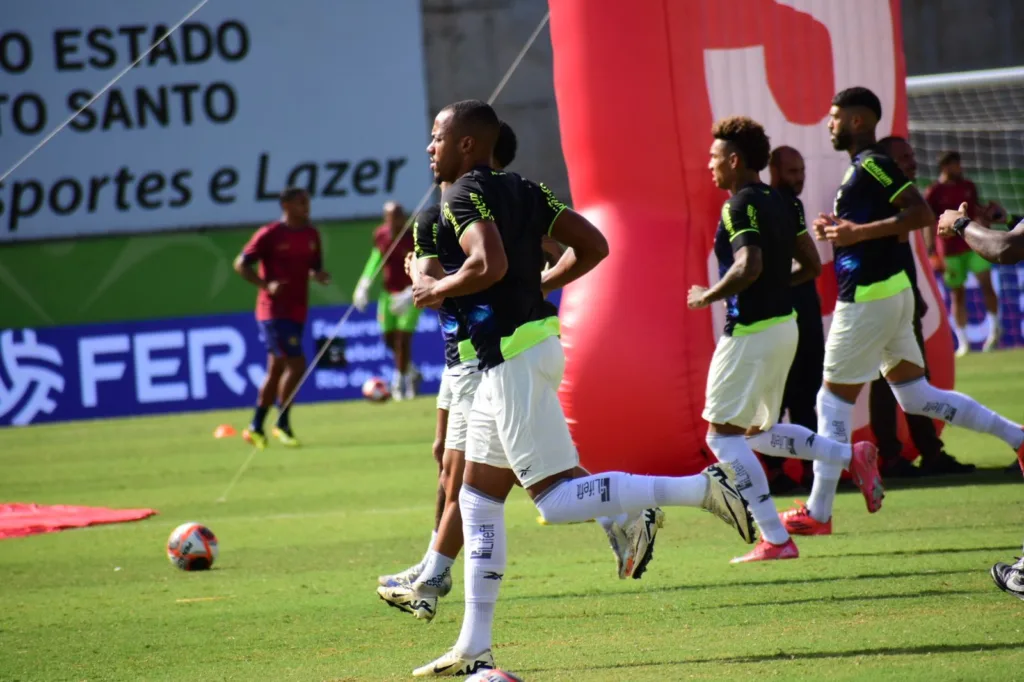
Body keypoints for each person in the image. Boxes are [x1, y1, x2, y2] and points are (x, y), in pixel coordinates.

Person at [405, 100, 756, 676]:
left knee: (556, 500)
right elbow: (593, 245)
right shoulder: (524, 187)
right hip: (527, 348)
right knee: (476, 500)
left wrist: (435, 290)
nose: (430, 147)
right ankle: (474, 644)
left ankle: (703, 488)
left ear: (467, 144)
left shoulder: (460, 193)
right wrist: (542, 280)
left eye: (438, 138)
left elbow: (487, 264)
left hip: (513, 357)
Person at [782, 87, 1024, 536]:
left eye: (835, 117)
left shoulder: (872, 163)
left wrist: (855, 233)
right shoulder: (862, 169)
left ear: (857, 121)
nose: (829, 124)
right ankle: (1019, 438)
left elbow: (919, 214)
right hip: (890, 293)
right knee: (915, 397)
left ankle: (818, 512)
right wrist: (841, 231)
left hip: (869, 296)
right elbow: (879, 228)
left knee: (830, 400)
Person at [688, 117, 881, 564]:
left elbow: (749, 264)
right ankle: (850, 454)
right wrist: (772, 286)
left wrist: (709, 295)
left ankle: (775, 538)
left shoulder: (737, 206)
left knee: (721, 437)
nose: (710, 165)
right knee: (759, 433)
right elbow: (813, 265)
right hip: (784, 326)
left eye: (715, 158)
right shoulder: (784, 202)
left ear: (735, 161)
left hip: (751, 333)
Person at [867, 136, 974, 477]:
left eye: (912, 156)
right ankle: (891, 456)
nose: (912, 163)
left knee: (913, 381)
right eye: (904, 158)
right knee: (885, 382)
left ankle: (926, 451)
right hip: (881, 303)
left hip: (902, 298)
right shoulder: (880, 203)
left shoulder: (901, 201)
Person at [234, 187, 331, 449]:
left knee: (276, 368)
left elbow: (314, 267)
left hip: (298, 310)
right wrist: (265, 285)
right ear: (286, 205)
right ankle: (282, 423)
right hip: (273, 311)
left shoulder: (311, 234)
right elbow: (241, 263)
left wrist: (318, 276)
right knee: (297, 365)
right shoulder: (270, 234)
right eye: (301, 202)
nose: (306, 207)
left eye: (307, 202)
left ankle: (255, 427)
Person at [766, 145, 824, 492]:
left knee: (804, 395)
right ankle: (778, 471)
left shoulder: (787, 204)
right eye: (792, 172)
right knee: (779, 395)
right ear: (773, 170)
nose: (798, 179)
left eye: (801, 172)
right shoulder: (772, 203)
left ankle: (806, 471)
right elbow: (810, 265)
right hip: (782, 315)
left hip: (802, 311)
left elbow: (809, 265)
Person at [924, 151, 1001, 356]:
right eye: (956, 164)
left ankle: (994, 329)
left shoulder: (968, 186)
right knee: (957, 294)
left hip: (973, 246)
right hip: (949, 251)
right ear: (945, 167)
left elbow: (977, 213)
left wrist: (988, 225)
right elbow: (930, 223)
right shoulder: (934, 191)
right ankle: (963, 342)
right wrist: (931, 251)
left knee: (987, 284)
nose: (960, 168)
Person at [353, 202, 420, 400]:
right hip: (387, 293)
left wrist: (411, 291)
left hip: (412, 294)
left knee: (403, 339)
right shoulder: (380, 234)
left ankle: (400, 384)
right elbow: (376, 259)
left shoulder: (413, 236)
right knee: (388, 339)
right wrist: (364, 283)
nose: (394, 221)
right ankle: (412, 372)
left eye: (398, 216)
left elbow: (424, 262)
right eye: (390, 217)